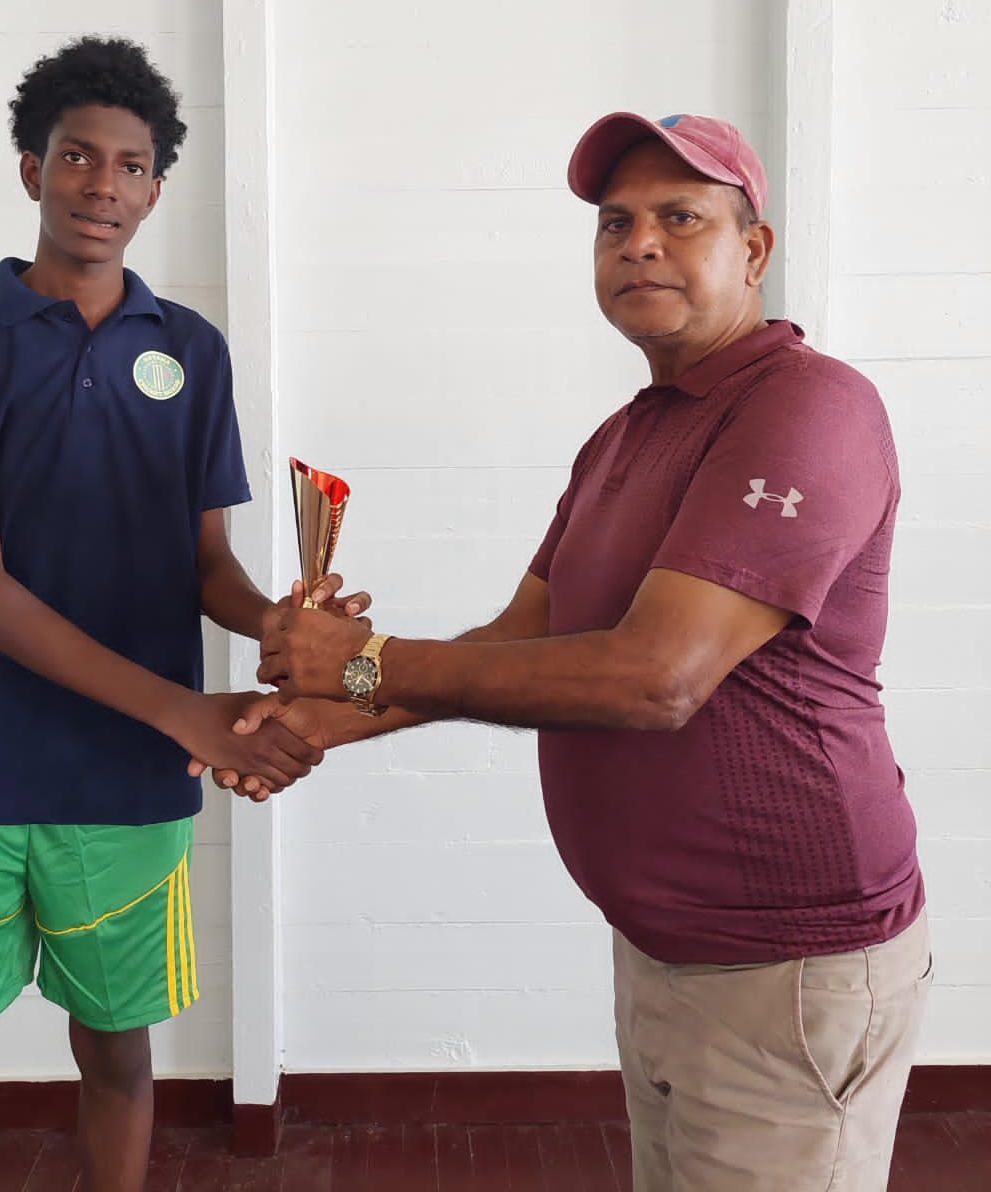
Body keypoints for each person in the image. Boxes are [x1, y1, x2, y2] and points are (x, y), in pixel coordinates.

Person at [221, 113, 931, 1190]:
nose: (638, 243)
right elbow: (517, 644)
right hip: (662, 946)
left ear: (754, 249)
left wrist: (363, 660)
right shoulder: (627, 435)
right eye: (615, 223)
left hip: (784, 970)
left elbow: (659, 678)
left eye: (679, 218)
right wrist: (314, 716)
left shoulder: (808, 408)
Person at [0, 37, 366, 1192]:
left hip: (126, 779)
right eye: (78, 157)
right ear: (30, 168)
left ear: (157, 186)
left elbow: (206, 568)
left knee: (118, 1056)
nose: (104, 184)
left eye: (133, 164)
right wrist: (187, 712)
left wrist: (284, 624)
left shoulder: (190, 352)